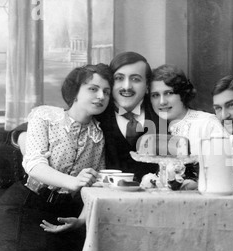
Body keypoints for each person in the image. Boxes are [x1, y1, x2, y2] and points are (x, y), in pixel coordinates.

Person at [0, 64, 113, 251]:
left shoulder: (98, 136)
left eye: (106, 91)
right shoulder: (45, 116)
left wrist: (82, 221)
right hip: (26, 206)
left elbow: (96, 187)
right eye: (93, 89)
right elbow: (34, 165)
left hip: (65, 214)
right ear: (75, 91)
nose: (101, 96)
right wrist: (74, 182)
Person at [10, 52, 159, 182]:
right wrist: (24, 137)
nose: (127, 86)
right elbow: (49, 122)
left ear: (147, 86)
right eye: (119, 78)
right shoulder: (96, 111)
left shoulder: (161, 115)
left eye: (136, 79)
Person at [148, 64, 233, 189]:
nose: (162, 101)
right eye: (155, 95)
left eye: (169, 93)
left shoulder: (206, 123)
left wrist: (198, 183)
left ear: (183, 94)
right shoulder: (157, 128)